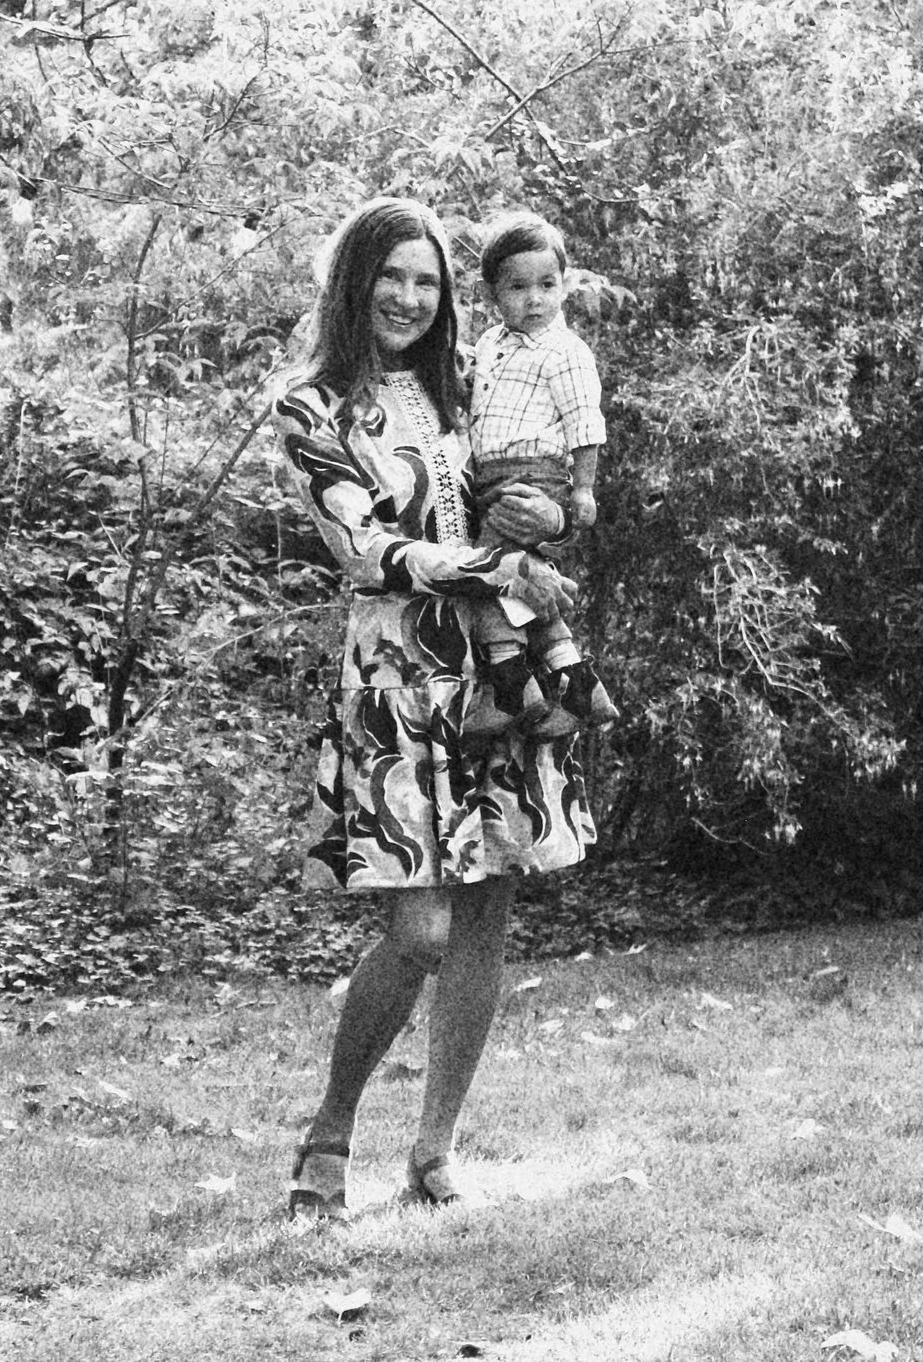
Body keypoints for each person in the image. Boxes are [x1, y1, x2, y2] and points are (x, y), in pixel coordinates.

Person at [275, 196, 593, 1220]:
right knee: (415, 928)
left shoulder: (468, 383)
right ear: (353, 281)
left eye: (428, 280)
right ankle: (328, 1132)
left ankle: (435, 1143)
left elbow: (533, 471)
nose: (411, 297)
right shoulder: (311, 407)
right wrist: (493, 560)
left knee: (487, 913)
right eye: (393, 276)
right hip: (399, 679)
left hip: (499, 668)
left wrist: (548, 515)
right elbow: (365, 547)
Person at [463, 211, 620, 738]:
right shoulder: (489, 345)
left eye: (547, 285)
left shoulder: (565, 352)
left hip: (533, 475)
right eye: (518, 287)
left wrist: (583, 489)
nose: (534, 300)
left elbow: (585, 423)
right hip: (492, 478)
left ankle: (512, 688)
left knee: (486, 574)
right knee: (526, 583)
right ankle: (578, 686)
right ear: (492, 294)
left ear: (565, 285)